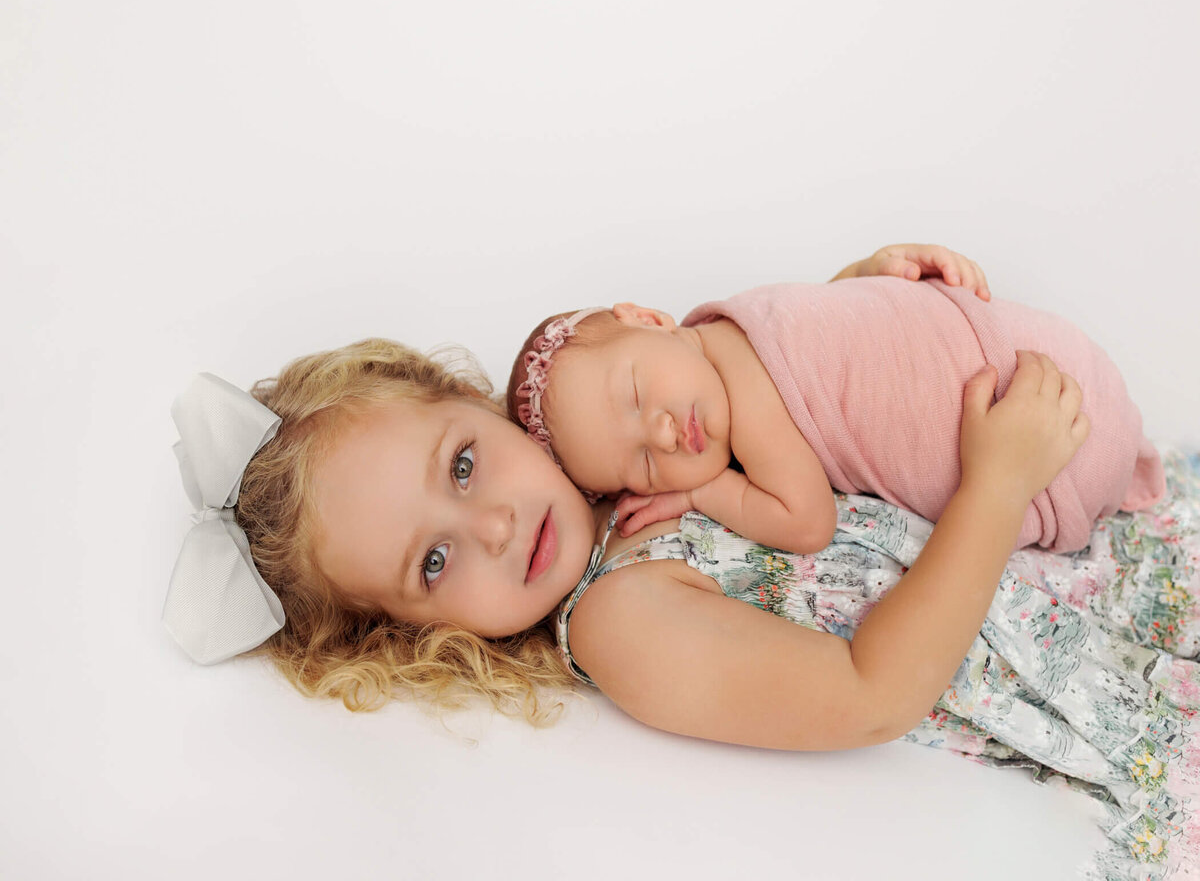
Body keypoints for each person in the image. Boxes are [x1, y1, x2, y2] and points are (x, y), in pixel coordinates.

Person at [165, 335, 1200, 877]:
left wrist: (878, 304)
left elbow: (765, 390)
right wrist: (997, 481)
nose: (489, 526)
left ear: (477, 405)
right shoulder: (621, 621)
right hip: (1062, 627)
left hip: (1088, 538)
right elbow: (870, 690)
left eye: (466, 463)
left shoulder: (614, 463)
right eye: (433, 562)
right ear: (416, 633)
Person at [505, 243, 1164, 554]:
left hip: (1051, 423)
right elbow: (816, 358)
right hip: (1061, 381)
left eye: (639, 396)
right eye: (645, 466)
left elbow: (805, 521)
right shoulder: (722, 332)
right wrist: (868, 279)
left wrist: (701, 493)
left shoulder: (748, 392)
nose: (666, 434)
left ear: (650, 319)